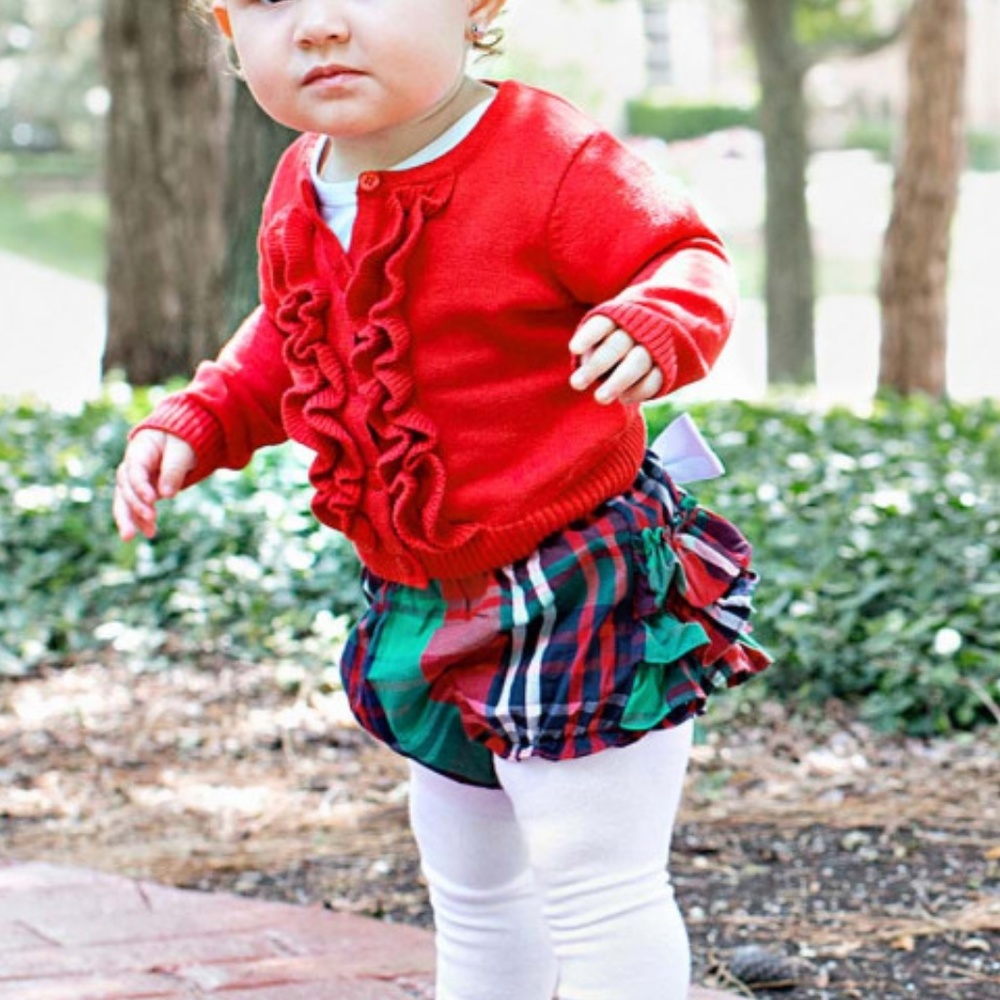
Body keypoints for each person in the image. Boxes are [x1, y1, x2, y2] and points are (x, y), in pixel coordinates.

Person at [113, 2, 772, 997]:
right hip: (423, 594)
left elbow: (680, 253)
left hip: (576, 582)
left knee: (595, 882)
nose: (318, 27)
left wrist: (659, 315)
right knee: (470, 881)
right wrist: (201, 418)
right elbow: (290, 333)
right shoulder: (302, 177)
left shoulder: (545, 154)